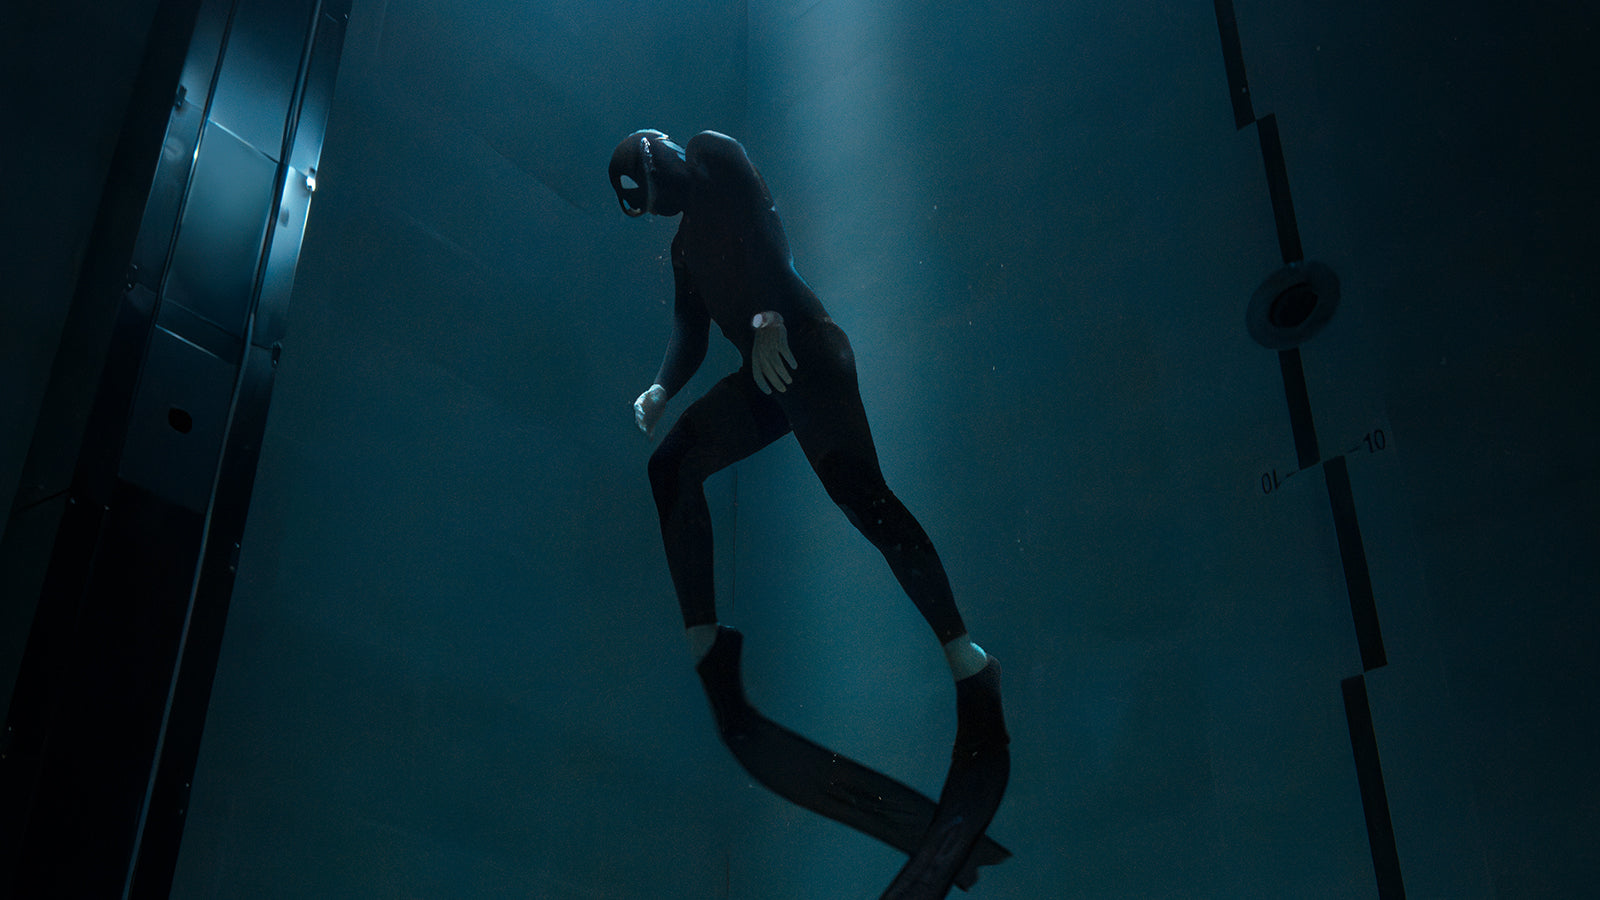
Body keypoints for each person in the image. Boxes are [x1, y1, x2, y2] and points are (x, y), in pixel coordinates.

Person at [609, 129, 1009, 897]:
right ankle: (706, 646)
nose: (656, 210)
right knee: (672, 466)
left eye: (647, 191)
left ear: (661, 163)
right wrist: (662, 388)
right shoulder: (685, 253)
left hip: (805, 348)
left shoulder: (714, 154)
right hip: (766, 375)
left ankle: (968, 657)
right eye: (644, 208)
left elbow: (769, 235)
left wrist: (765, 320)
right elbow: (690, 335)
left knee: (864, 499)